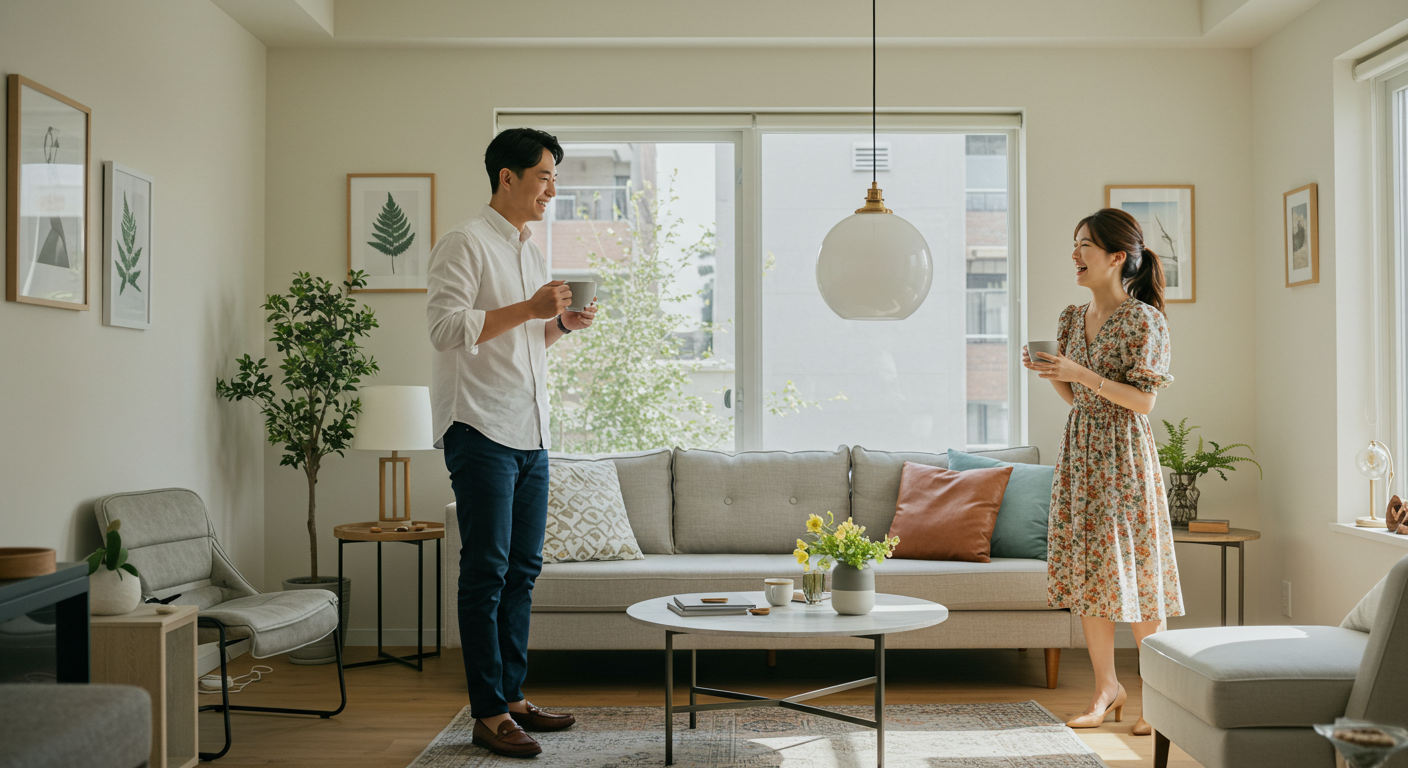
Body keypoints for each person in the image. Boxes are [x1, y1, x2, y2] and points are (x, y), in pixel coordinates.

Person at [426, 127, 597, 758]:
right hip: (479, 428)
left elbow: (522, 341)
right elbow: (446, 329)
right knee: (486, 572)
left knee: (522, 571)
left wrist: (559, 327)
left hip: (530, 432)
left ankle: (514, 698)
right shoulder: (464, 242)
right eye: (545, 175)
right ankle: (488, 712)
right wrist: (529, 311)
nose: (553, 188)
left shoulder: (530, 248)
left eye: (554, 176)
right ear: (508, 177)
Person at [1022, 208, 1183, 737]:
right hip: (1082, 450)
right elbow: (1076, 398)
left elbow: (1144, 402)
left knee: (1136, 576)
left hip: (1125, 456)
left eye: (1085, 246)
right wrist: (1053, 374)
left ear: (1117, 257)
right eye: (1075, 244)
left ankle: (1157, 699)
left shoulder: (1145, 320)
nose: (1075, 254)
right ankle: (1105, 690)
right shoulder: (1071, 318)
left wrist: (1078, 371)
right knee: (1092, 575)